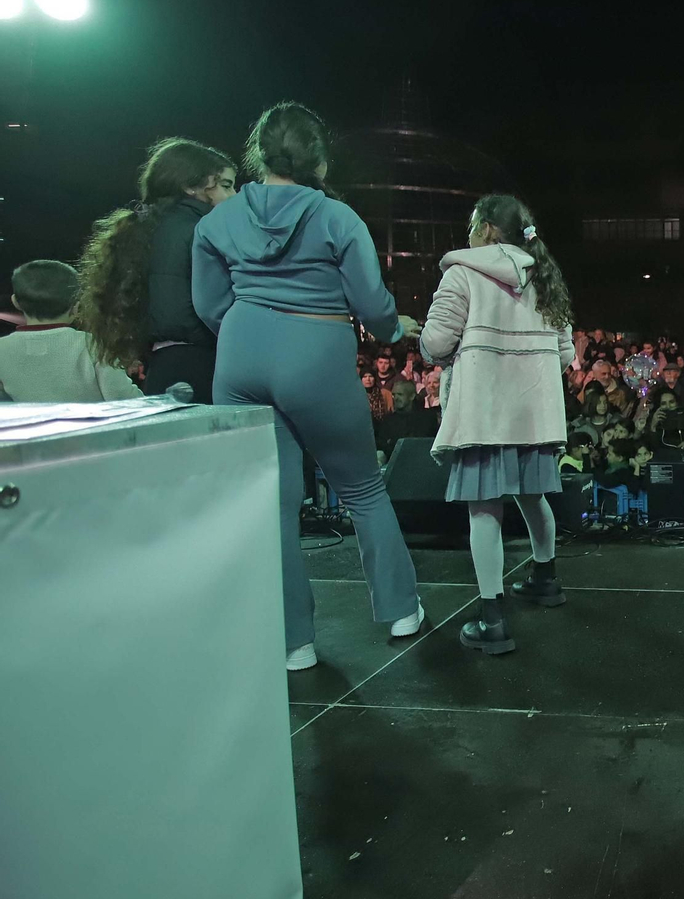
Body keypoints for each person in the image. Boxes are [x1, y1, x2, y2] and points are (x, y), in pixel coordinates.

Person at [193, 101, 425, 671]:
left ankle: (294, 642)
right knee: (362, 489)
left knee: (273, 507)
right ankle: (399, 609)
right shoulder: (337, 218)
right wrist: (396, 328)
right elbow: (372, 306)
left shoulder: (216, 219)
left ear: (259, 154)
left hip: (240, 355)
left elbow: (207, 304)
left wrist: (251, 330)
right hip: (317, 352)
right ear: (318, 156)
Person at [420, 193, 578, 655]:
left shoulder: (463, 273)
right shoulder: (545, 276)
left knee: (484, 509)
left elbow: (434, 342)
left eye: (472, 223)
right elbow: (565, 353)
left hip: (485, 412)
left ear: (487, 228)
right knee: (532, 497)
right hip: (534, 413)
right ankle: (545, 580)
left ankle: (493, 621)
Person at [73, 137, 237, 400]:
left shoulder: (144, 229)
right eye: (226, 186)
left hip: (166, 363)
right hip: (199, 364)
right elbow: (176, 315)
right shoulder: (198, 230)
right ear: (190, 186)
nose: (234, 196)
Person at [0, 260, 142, 402]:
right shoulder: (94, 345)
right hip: (92, 424)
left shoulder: (2, 348)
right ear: (76, 307)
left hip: (32, 424)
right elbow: (123, 398)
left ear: (15, 302)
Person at [376, 378, 437, 462]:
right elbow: (382, 445)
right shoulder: (388, 420)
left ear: (412, 396)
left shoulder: (428, 418)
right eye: (394, 395)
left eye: (400, 394)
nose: (395, 398)